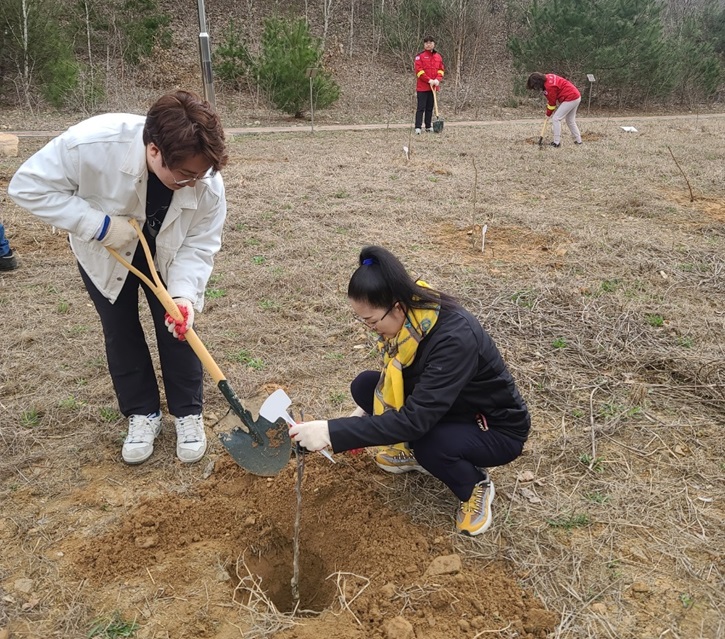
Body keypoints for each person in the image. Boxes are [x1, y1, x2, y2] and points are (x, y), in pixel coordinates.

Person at [8, 90, 228, 466]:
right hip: (106, 251)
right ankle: (142, 413)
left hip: (168, 253)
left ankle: (188, 414)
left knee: (177, 328)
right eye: (185, 175)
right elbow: (27, 186)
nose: (194, 182)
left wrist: (184, 296)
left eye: (201, 174)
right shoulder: (91, 144)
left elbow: (198, 244)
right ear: (154, 150)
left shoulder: (206, 181)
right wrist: (99, 225)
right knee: (120, 328)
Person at [289, 246, 531, 536]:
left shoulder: (454, 339)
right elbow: (397, 384)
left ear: (397, 307)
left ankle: (474, 486)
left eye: (372, 321)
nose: (371, 330)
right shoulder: (414, 322)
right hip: (452, 406)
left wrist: (333, 431)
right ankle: (412, 452)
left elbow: (416, 421)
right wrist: (361, 416)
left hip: (493, 427)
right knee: (365, 386)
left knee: (430, 444)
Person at [526, 72, 582, 147]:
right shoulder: (548, 76)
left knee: (556, 119)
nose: (536, 89)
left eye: (535, 87)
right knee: (570, 120)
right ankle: (578, 141)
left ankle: (556, 143)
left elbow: (552, 104)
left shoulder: (549, 87)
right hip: (576, 95)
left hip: (570, 98)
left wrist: (548, 114)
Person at [414, 36, 444, 135]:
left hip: (433, 87)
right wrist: (429, 80)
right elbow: (419, 71)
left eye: (430, 42)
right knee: (421, 108)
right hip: (422, 87)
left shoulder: (438, 56)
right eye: (426, 42)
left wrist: (437, 79)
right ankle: (418, 127)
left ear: (434, 44)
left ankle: (428, 126)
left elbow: (441, 70)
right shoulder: (420, 57)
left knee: (430, 108)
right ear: (424, 44)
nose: (428, 44)